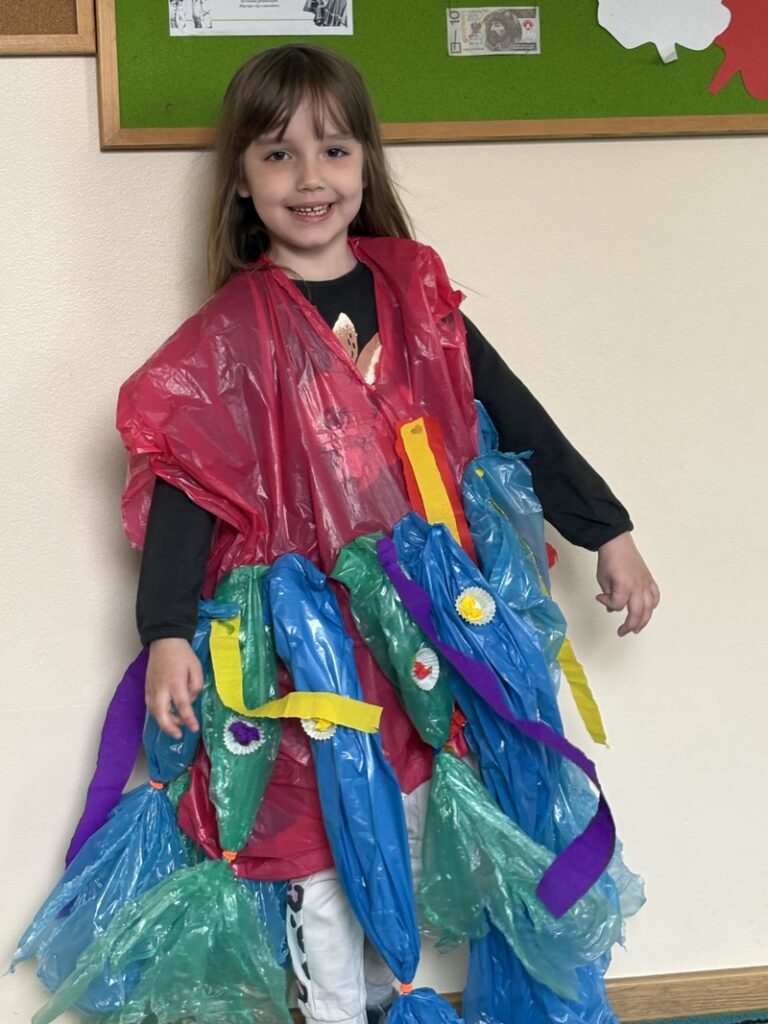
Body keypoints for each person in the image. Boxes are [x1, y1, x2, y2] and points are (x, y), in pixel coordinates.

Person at [120, 43, 659, 1024]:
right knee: (321, 845)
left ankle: (380, 996)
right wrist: (164, 630)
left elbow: (514, 415)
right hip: (309, 650)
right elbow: (186, 482)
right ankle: (335, 1006)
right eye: (278, 154)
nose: (310, 177)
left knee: (408, 826)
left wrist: (606, 529)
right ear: (241, 181)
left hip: (420, 630)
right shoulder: (231, 337)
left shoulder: (417, 300)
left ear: (366, 163)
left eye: (333, 149)